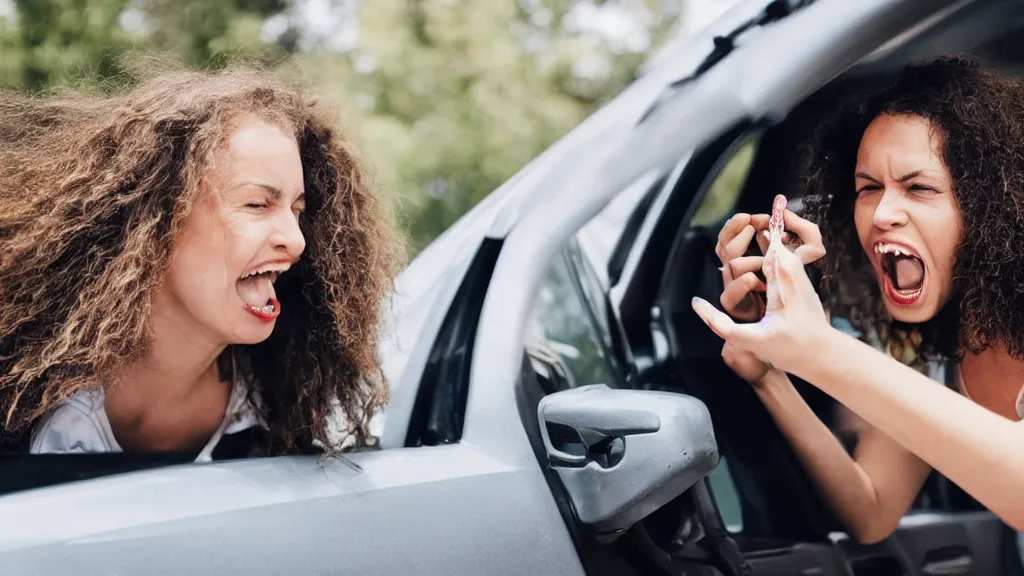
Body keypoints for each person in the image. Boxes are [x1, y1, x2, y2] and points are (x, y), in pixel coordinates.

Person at [696, 55, 1024, 542]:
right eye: (868, 188)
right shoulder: (946, 352)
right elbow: (870, 510)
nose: (883, 212)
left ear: (991, 205)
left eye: (919, 187)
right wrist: (771, 372)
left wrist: (819, 349)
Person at [0, 64, 401, 461]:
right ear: (157, 220)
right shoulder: (21, 398)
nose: (296, 242)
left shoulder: (288, 415)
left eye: (297, 210)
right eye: (257, 204)